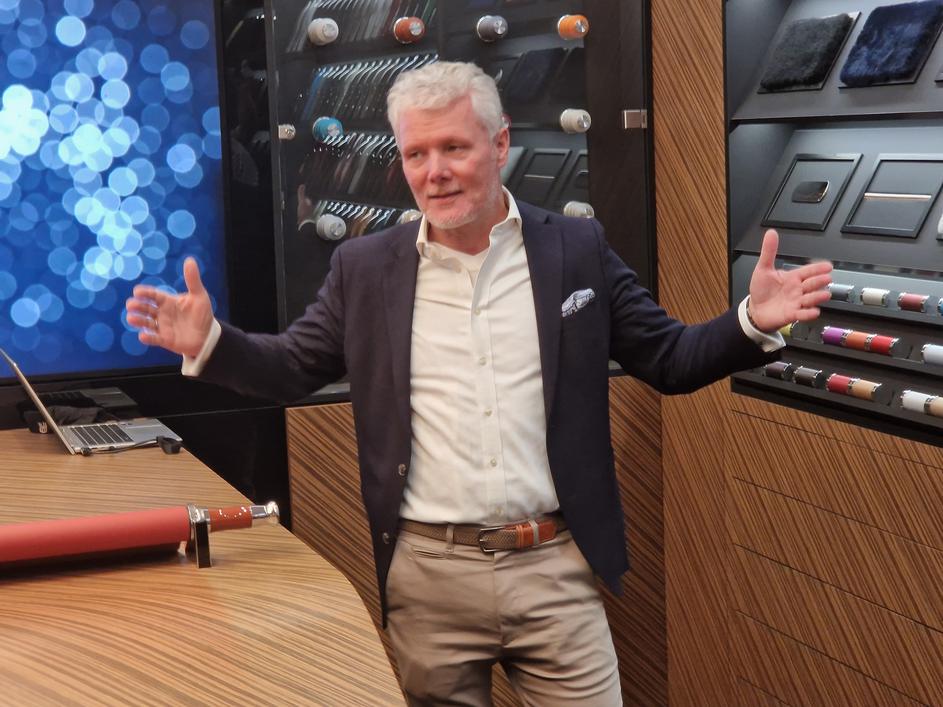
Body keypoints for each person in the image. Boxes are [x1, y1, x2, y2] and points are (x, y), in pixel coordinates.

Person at [126, 61, 831, 705]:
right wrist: (211, 343)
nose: (434, 172)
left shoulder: (575, 249)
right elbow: (289, 365)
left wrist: (748, 322)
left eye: (453, 148)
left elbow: (671, 358)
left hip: (556, 569)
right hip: (428, 575)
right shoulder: (364, 269)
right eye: (415, 153)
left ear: (499, 144)